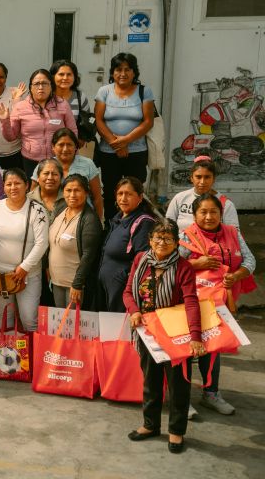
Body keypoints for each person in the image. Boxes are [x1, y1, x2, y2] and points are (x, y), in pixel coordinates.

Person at [125, 218, 202, 454]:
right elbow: (128, 292)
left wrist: (195, 336)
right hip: (148, 332)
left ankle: (176, 432)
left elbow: (191, 302)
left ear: (177, 242)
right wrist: (134, 311)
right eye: (157, 237)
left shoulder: (183, 267)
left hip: (175, 333)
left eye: (168, 239)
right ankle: (151, 425)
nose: (162, 242)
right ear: (150, 240)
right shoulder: (140, 260)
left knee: (178, 384)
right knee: (151, 381)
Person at [179, 193, 257, 417]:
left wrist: (237, 275)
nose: (208, 216)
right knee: (186, 348)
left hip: (219, 304)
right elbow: (171, 263)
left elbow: (250, 261)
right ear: (194, 215)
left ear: (221, 214)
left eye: (213, 212)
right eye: (203, 212)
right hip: (189, 303)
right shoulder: (186, 235)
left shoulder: (233, 233)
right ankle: (182, 398)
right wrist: (196, 263)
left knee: (213, 348)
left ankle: (211, 393)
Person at [0, 168, 49, 332]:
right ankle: (6, 355)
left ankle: (32, 355)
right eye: (9, 184)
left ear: (26, 185)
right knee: (4, 317)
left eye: (17, 183)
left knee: (28, 319)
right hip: (0, 276)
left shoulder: (37, 211)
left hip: (27, 275)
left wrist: (24, 267)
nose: (13, 187)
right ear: (3, 186)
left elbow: (42, 243)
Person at [95, 53, 155, 220]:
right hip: (108, 152)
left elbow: (148, 122)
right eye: (118, 69)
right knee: (110, 191)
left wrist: (125, 141)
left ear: (134, 72)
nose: (123, 73)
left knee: (135, 192)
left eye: (127, 69)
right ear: (112, 72)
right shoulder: (104, 91)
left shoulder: (144, 91)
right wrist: (116, 144)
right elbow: (98, 121)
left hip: (136, 152)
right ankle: (111, 226)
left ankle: (136, 225)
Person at [0, 68, 77, 177]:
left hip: (58, 158)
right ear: (31, 88)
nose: (41, 87)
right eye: (37, 84)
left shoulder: (63, 105)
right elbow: (11, 137)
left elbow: (72, 132)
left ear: (51, 86)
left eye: (44, 83)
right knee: (33, 192)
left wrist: (73, 154)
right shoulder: (20, 107)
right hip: (31, 160)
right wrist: (4, 120)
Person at [98, 177, 157, 312]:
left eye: (129, 194)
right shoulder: (118, 218)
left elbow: (143, 257)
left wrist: (125, 278)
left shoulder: (143, 222)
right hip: (108, 286)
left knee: (120, 329)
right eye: (120, 193)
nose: (123, 198)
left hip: (123, 289)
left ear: (140, 197)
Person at [47, 175, 103, 309]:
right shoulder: (60, 209)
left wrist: (77, 284)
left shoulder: (89, 219)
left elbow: (89, 255)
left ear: (86, 192)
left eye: (77, 190)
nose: (72, 195)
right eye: (68, 190)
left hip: (74, 285)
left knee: (72, 324)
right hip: (56, 281)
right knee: (60, 322)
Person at [35, 128, 104, 219]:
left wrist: (98, 223)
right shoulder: (45, 166)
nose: (65, 149)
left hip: (83, 217)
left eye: (69, 144)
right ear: (53, 147)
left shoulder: (87, 164)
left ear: (76, 146)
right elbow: (34, 196)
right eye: (61, 144)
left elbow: (97, 198)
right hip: (51, 217)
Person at [166, 156, 240, 232]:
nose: (202, 182)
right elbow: (168, 226)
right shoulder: (179, 198)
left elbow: (234, 233)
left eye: (207, 177)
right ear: (191, 178)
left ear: (213, 179)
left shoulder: (226, 204)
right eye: (198, 177)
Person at [0, 62, 26, 171]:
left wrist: (17, 100)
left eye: (1, 77)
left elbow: (23, 122)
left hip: (15, 152)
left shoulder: (16, 93)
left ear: (6, 78)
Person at [50, 60, 93, 141]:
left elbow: (87, 121)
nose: (65, 78)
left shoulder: (80, 97)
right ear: (53, 76)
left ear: (75, 77)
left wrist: (82, 138)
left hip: (73, 143)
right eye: (61, 74)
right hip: (48, 143)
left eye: (69, 74)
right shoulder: (46, 97)